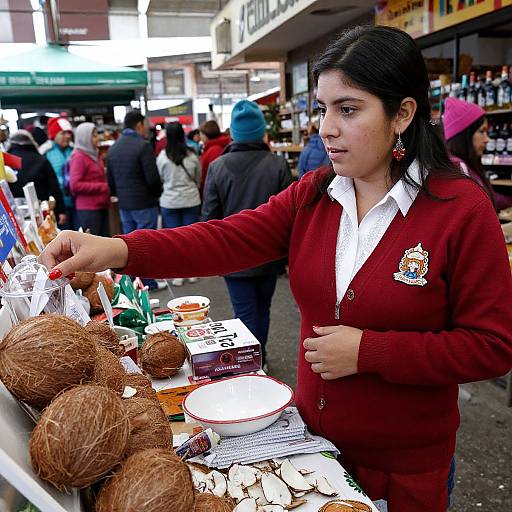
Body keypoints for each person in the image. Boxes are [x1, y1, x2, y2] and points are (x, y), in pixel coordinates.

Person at [40, 26, 512, 512]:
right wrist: (115, 248)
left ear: (403, 114)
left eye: (348, 109)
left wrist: (371, 351)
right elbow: (223, 239)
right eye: (323, 109)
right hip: (309, 451)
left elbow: (494, 346)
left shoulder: (459, 209)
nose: (325, 127)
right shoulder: (315, 193)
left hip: (404, 468)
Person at [202, 99, 292, 366]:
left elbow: (209, 215)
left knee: (244, 312)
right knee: (263, 308)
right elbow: (291, 215)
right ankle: (258, 358)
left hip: (232, 254)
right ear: (261, 131)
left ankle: (252, 362)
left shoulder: (218, 166)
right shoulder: (277, 164)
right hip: (270, 251)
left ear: (233, 133)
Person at [106, 111, 164, 291]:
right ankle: (148, 282)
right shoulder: (143, 146)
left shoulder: (114, 148)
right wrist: (157, 193)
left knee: (129, 245)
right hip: (144, 203)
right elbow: (152, 178)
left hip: (125, 204)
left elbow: (110, 179)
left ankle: (133, 281)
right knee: (146, 244)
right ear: (139, 125)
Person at [443, 97, 512, 210]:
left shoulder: (467, 165)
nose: (487, 139)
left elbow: (488, 198)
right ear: (464, 135)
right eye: (482, 131)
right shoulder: (459, 168)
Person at [157, 122, 201, 286]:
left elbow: (160, 178)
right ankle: (193, 272)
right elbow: (198, 176)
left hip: (170, 201)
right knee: (190, 237)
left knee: (174, 240)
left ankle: (178, 275)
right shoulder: (192, 154)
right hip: (191, 199)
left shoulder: (162, 156)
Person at [7, 130, 66, 224]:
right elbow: (54, 187)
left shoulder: (5, 162)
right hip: (41, 214)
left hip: (13, 216)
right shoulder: (41, 159)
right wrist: (61, 211)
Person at [69, 123, 111, 236]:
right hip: (89, 211)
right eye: (94, 135)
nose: (97, 138)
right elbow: (75, 185)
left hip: (100, 206)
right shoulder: (79, 157)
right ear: (84, 138)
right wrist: (103, 186)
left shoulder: (94, 154)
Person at [41, 117, 74, 229]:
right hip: (58, 204)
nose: (68, 136)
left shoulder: (74, 150)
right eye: (63, 133)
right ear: (54, 135)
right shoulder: (46, 152)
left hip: (77, 202)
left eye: (69, 133)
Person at [199, 120, 230, 197]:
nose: (200, 137)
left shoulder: (214, 150)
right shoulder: (215, 146)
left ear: (206, 135)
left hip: (215, 192)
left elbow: (212, 175)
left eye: (201, 134)